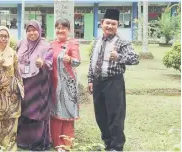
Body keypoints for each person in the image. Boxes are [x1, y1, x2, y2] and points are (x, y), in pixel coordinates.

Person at [87, 9, 139, 151]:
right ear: (102, 23)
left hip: (113, 83)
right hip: (98, 83)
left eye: (113, 24)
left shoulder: (122, 42)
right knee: (100, 115)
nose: (109, 26)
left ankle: (116, 146)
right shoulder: (97, 40)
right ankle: (108, 143)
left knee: (115, 116)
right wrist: (90, 80)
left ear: (118, 25)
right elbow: (93, 62)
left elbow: (135, 58)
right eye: (107, 23)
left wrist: (119, 57)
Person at [16, 20, 53, 151]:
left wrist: (41, 63)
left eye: (34, 30)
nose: (32, 33)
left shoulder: (46, 46)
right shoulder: (21, 43)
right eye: (29, 30)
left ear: (40, 30)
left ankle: (38, 142)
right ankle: (24, 140)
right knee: (24, 111)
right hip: (23, 84)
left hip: (39, 85)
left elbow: (49, 63)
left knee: (37, 113)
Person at [50, 19, 81, 151]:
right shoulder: (51, 44)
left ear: (69, 30)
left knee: (67, 113)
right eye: (58, 28)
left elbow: (77, 61)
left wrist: (70, 59)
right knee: (55, 112)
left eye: (63, 28)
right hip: (54, 83)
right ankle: (56, 142)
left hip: (68, 84)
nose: (60, 30)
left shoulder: (72, 44)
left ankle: (66, 142)